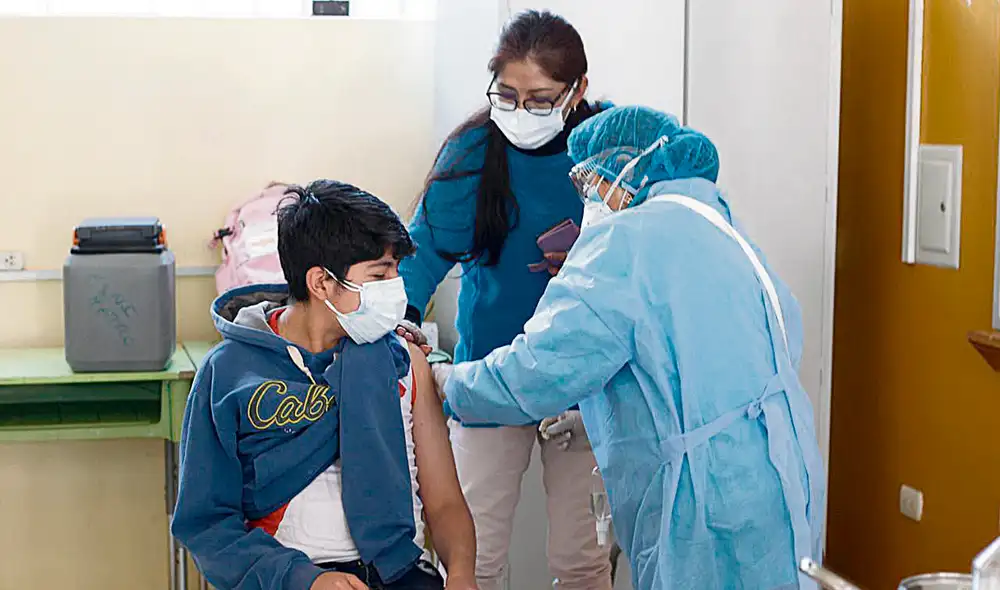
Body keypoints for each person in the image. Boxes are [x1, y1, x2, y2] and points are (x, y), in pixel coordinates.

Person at [434, 106, 827, 590]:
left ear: (624, 169)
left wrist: (446, 380)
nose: (589, 199)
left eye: (589, 183)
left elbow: (533, 373)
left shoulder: (624, 242)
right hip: (780, 471)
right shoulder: (718, 223)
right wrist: (605, 415)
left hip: (707, 497)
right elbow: (744, 349)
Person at [395, 10, 613, 590]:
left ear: (578, 92)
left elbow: (653, 248)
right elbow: (422, 252)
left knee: (582, 560)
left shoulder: (611, 149)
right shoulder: (472, 153)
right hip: (491, 374)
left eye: (541, 100)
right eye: (508, 95)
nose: (522, 112)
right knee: (471, 556)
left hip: (587, 385)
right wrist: (399, 322)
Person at [171, 180, 478, 590]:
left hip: (399, 574)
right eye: (380, 273)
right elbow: (208, 524)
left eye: (396, 270)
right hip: (290, 578)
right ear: (321, 283)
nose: (396, 287)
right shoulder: (228, 374)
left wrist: (460, 573)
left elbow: (444, 501)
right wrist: (306, 580)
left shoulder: (404, 361)